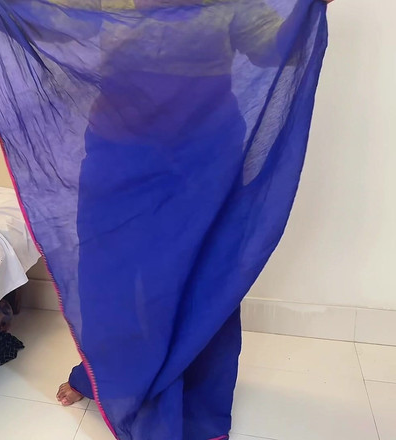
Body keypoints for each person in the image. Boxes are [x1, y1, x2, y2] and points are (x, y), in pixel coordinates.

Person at [57, 0, 336, 411]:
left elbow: (272, 48)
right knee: (105, 267)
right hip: (118, 148)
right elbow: (58, 21)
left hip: (202, 155)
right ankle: (102, 374)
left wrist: (308, 8)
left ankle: (191, 386)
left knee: (201, 268)